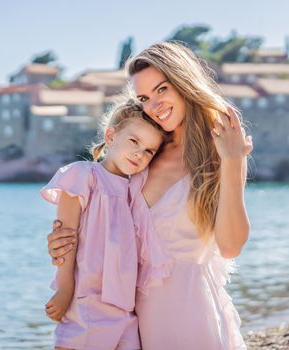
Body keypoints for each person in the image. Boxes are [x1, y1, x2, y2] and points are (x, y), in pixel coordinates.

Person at [47, 41, 253, 350]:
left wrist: (233, 160)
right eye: (144, 97)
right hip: (127, 315)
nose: (154, 105)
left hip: (189, 310)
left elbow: (231, 245)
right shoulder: (146, 151)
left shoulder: (221, 149)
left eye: (162, 90)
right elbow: (100, 211)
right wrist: (64, 240)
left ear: (184, 82)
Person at [40, 101, 167, 350]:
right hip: (86, 303)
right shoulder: (83, 175)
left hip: (126, 309)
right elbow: (65, 238)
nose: (139, 153)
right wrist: (65, 290)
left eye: (149, 151)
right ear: (110, 136)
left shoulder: (136, 190)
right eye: (134, 141)